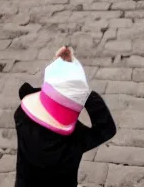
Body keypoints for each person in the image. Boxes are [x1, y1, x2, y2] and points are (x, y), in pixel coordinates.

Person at [14, 46, 117, 187]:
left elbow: (28, 91)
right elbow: (107, 129)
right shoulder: (74, 140)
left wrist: (58, 68)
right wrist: (84, 93)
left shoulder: (21, 116)